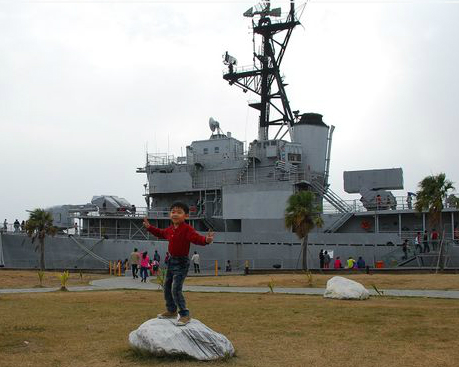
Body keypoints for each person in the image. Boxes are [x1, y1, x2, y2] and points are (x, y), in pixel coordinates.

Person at [143, 201, 214, 326]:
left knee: (176, 289)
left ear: (186, 216)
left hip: (181, 262)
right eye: (173, 212)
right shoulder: (170, 229)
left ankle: (185, 314)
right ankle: (171, 310)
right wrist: (149, 228)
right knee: (166, 287)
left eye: (179, 212)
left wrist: (206, 240)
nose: (175, 214)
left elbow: (196, 238)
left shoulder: (187, 229)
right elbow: (160, 233)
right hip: (171, 261)